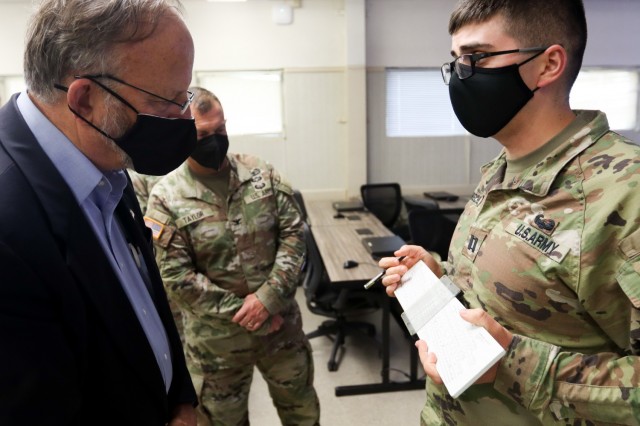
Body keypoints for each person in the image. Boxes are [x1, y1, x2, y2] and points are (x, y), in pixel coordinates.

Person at [379, 1, 640, 425]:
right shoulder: (500, 170)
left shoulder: (625, 193)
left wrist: (511, 365)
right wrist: (438, 276)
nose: (460, 76)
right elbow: (502, 296)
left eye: (476, 58)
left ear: (548, 64)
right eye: (455, 61)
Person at [0, 1, 198, 424]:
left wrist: (179, 395)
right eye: (167, 101)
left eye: (187, 99)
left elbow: (144, 298)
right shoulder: (8, 227)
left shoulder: (104, 156)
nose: (183, 120)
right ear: (85, 99)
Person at [145, 87, 320, 426]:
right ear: (182, 135)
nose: (214, 140)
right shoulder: (166, 197)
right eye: (203, 134)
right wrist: (247, 312)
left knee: (302, 414)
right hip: (216, 347)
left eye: (220, 130)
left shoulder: (261, 174)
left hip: (281, 331)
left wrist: (267, 300)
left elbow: (294, 236)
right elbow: (177, 278)